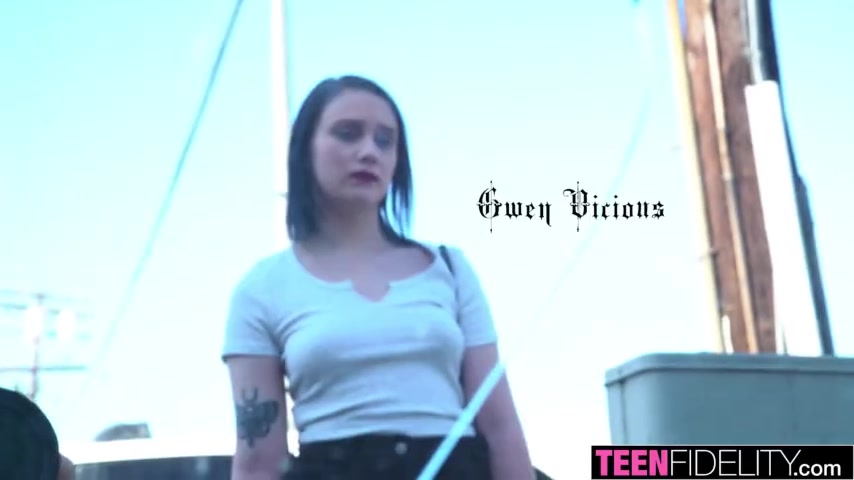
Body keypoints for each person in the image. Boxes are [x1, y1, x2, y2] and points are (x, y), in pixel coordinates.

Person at [222, 75, 533, 479]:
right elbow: (259, 463)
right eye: (347, 133)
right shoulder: (262, 289)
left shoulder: (450, 269)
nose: (369, 151)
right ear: (305, 148)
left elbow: (501, 427)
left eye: (385, 140)